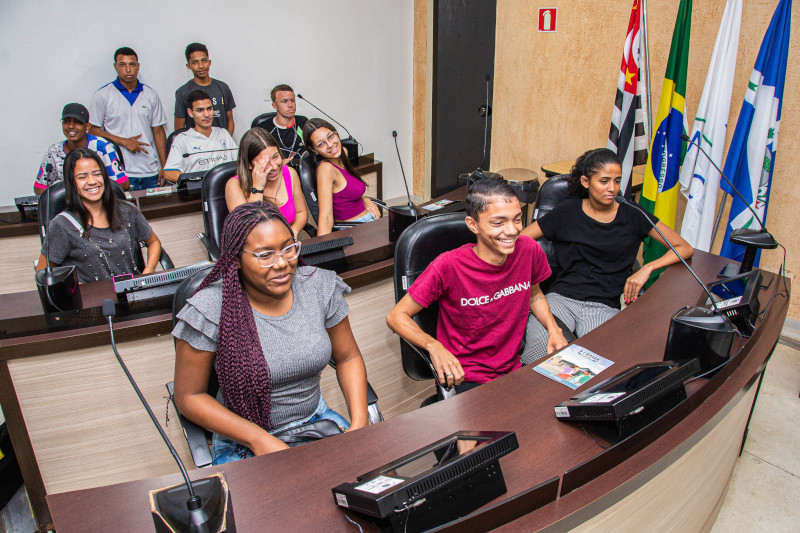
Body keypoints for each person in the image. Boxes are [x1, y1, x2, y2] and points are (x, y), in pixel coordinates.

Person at [172, 202, 369, 464]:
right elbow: (189, 397)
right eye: (265, 255)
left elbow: (348, 358)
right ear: (236, 259)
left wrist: (359, 423)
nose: (282, 264)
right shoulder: (210, 308)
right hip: (245, 438)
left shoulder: (318, 287)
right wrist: (259, 439)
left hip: (315, 420)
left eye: (288, 248)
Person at [386, 178, 568, 393]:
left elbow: (534, 294)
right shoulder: (448, 265)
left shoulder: (528, 249)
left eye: (517, 219)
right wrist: (433, 346)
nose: (512, 231)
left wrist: (553, 329)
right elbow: (396, 316)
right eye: (498, 223)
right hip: (465, 376)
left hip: (512, 369)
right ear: (473, 224)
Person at [520, 148, 694, 364]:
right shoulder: (568, 211)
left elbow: (683, 247)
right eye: (604, 181)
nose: (612, 189)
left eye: (617, 181)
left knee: (597, 365)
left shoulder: (633, 214)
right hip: (561, 300)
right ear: (586, 181)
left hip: (603, 306)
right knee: (540, 359)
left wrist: (648, 268)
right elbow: (520, 241)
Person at [36, 148, 162, 283]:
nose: (92, 181)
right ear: (72, 182)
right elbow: (43, 273)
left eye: (97, 174)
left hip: (132, 293)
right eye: (82, 177)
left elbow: (153, 242)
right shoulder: (62, 225)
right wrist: (73, 287)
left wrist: (149, 270)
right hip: (91, 301)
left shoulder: (127, 210)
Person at [89, 47, 168, 190]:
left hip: (150, 170)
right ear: (115, 67)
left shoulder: (151, 95)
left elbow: (158, 132)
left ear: (138, 66)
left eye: (132, 64)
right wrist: (124, 141)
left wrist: (165, 166)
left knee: (154, 211)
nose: (128, 69)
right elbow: (93, 130)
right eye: (122, 65)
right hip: (119, 171)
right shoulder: (103, 95)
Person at [302, 118, 380, 236]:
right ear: (314, 150)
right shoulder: (326, 169)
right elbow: (325, 217)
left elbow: (348, 192)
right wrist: (323, 249)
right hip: (354, 230)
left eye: (330, 136)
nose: (330, 145)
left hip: (368, 221)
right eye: (321, 144)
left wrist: (365, 200)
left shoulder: (343, 152)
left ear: (336, 133)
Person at [226, 128, 308, 237]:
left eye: (276, 157)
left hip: (287, 245)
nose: (274, 167)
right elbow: (250, 229)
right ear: (249, 165)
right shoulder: (234, 185)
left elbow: (301, 213)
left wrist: (293, 232)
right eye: (265, 162)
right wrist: (258, 187)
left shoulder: (290, 174)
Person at [35, 103, 129, 194]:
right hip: (67, 204)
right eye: (67, 122)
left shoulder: (102, 146)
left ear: (87, 126)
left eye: (77, 122)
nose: (71, 126)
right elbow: (40, 188)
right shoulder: (53, 151)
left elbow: (123, 184)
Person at [163, 90, 237, 183]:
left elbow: (239, 163)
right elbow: (169, 173)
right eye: (200, 110)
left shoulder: (223, 134)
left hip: (225, 189)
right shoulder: (182, 139)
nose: (206, 114)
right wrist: (195, 180)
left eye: (209, 109)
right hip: (197, 191)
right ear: (190, 112)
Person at [174, 43, 236, 136]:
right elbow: (179, 127)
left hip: (221, 145)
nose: (201, 66)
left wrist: (226, 141)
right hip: (196, 148)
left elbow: (230, 119)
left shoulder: (223, 88)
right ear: (188, 66)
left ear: (209, 62)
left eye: (204, 61)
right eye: (195, 62)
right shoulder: (183, 92)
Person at [262, 84, 307, 164]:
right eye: (284, 101)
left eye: (292, 100)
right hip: (277, 173)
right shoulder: (263, 129)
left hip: (303, 171)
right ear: (275, 106)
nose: (290, 105)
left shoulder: (303, 122)